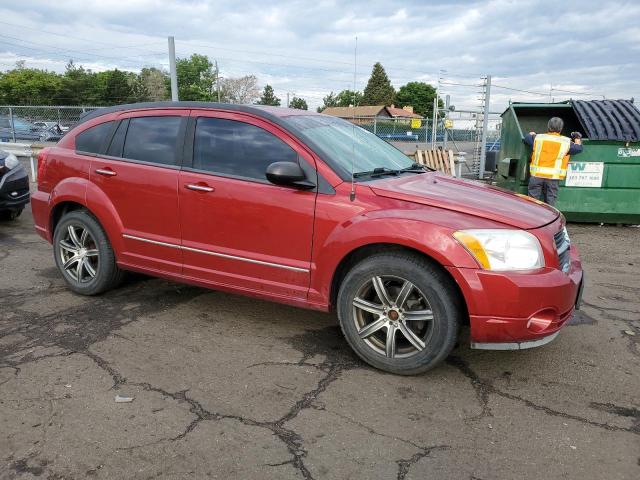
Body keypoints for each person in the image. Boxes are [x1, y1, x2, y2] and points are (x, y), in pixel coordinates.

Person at [523, 117, 583, 206]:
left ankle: (531, 219)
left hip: (536, 177)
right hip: (553, 179)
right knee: (550, 205)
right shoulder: (566, 142)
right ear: (561, 129)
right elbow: (578, 148)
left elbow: (527, 138)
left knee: (532, 203)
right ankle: (549, 219)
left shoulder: (538, 138)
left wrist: (531, 133)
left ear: (548, 127)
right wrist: (577, 138)